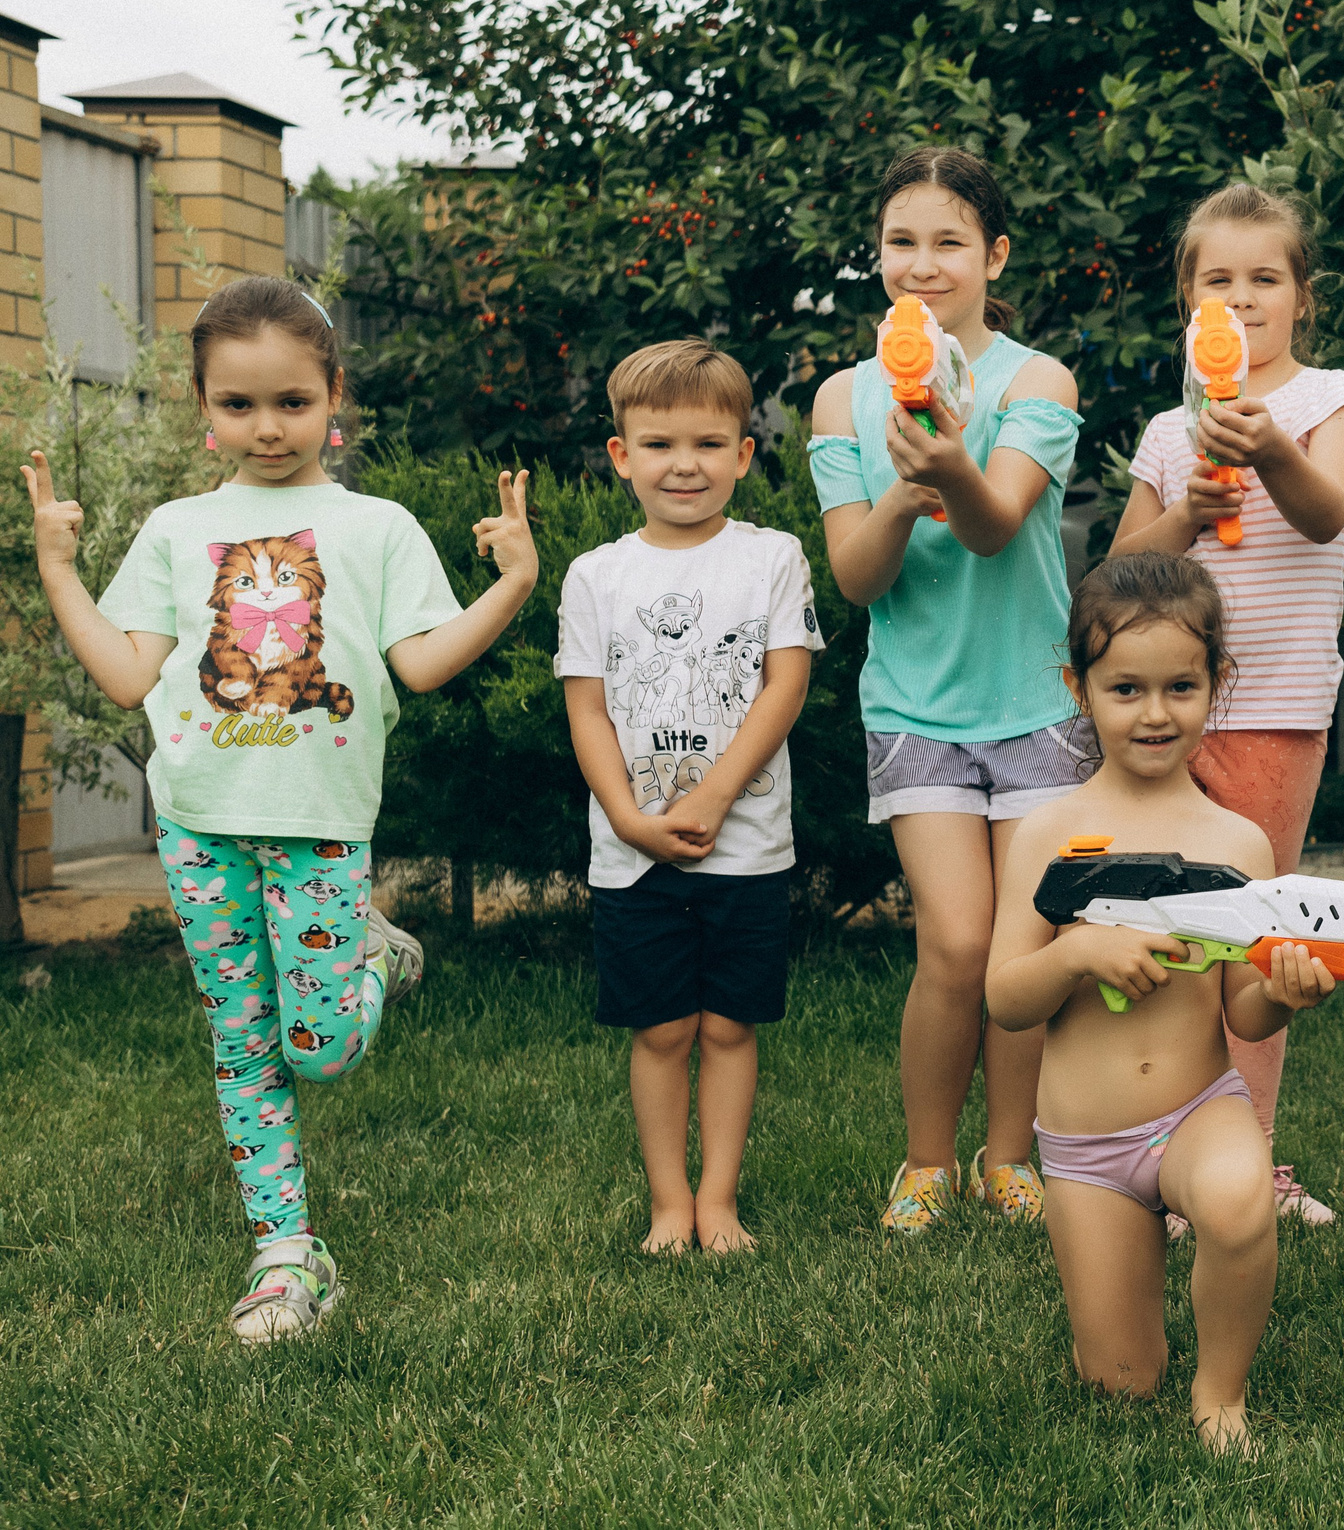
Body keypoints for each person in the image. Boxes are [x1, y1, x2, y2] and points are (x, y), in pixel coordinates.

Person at [19, 275, 535, 1341]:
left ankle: (375, 957)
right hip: (201, 822)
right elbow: (125, 676)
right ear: (202, 408)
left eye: (292, 402)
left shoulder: (376, 526)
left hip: (320, 825)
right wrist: (59, 569)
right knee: (244, 1041)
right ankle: (287, 1252)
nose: (266, 427)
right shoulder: (175, 528)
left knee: (321, 1045)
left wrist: (513, 585)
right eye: (239, 403)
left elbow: (422, 664)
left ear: (333, 397)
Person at [987, 553, 1338, 1456]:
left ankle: (1221, 1395)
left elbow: (1243, 1014)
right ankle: (1127, 1340)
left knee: (1237, 1199)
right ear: (1081, 688)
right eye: (1126, 688)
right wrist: (1075, 953)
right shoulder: (1046, 835)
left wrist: (1283, 991)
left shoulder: (1236, 841)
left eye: (1181, 685)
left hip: (1196, 1110)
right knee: (1118, 1385)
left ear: (1216, 685)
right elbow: (1005, 999)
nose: (1154, 712)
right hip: (1085, 1146)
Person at [809, 147, 1086, 1234]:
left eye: (949, 243)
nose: (922, 266)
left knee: (1022, 945)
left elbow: (993, 524)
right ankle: (926, 1159)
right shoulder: (844, 396)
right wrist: (900, 488)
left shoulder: (1036, 381)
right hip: (915, 706)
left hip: (1034, 701)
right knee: (958, 944)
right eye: (901, 243)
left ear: (993, 254)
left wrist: (950, 462)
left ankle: (1007, 1155)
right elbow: (856, 577)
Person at [1110, 182, 1344, 1224]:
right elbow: (1119, 572)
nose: (1240, 298)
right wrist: (1190, 503)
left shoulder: (1338, 402)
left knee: (1250, 940)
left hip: (1274, 712)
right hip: (1156, 717)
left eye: (1263, 278)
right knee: (1168, 931)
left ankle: (1250, 1159)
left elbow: (1325, 514)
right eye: (1216, 280)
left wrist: (1266, 444)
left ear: (1302, 296)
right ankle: (1153, 1146)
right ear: (1188, 300)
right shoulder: (1167, 429)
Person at [556, 340, 820, 1255]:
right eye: (660, 444)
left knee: (727, 1026)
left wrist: (713, 795)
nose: (685, 465)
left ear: (745, 454)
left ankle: (719, 1199)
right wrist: (630, 818)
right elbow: (586, 708)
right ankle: (669, 1204)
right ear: (622, 454)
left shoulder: (772, 558)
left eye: (709, 444)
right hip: (631, 852)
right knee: (664, 1029)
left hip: (744, 845)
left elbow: (784, 687)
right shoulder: (596, 575)